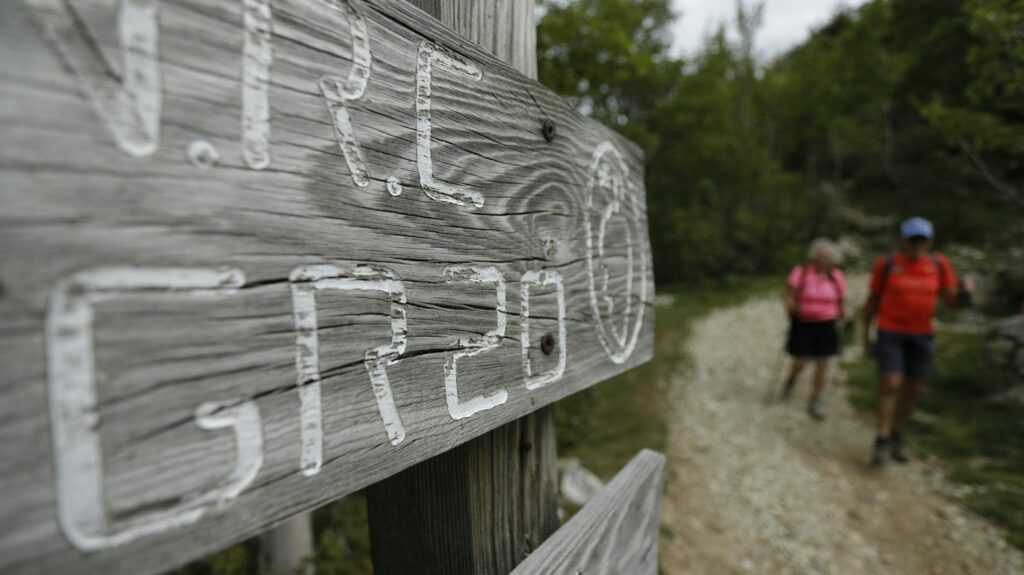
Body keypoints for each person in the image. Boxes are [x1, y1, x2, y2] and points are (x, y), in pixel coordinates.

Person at [862, 217, 973, 466]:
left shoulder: (939, 264)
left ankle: (895, 432)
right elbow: (872, 302)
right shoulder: (887, 264)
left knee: (915, 388)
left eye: (921, 239)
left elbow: (951, 302)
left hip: (922, 333)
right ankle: (881, 437)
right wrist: (866, 336)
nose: (916, 244)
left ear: (929, 241)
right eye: (912, 239)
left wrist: (964, 293)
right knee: (891, 382)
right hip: (890, 331)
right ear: (902, 240)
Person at [782, 238, 847, 420]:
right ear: (814, 257)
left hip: (827, 323)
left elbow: (841, 300)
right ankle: (792, 379)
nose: (824, 260)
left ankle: (816, 398)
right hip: (803, 322)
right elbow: (789, 295)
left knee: (822, 362)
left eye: (828, 257)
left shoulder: (837, 277)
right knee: (800, 360)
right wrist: (790, 309)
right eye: (821, 256)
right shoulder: (801, 273)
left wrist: (845, 315)